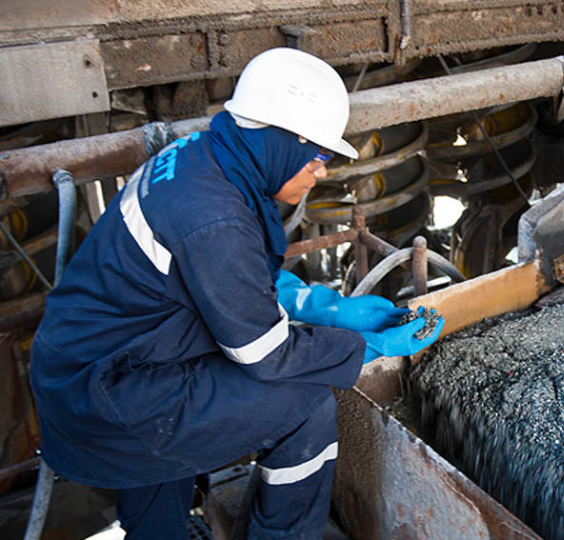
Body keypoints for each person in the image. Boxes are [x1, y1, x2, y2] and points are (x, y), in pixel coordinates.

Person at [28, 47, 443, 539]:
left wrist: (322, 306)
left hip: (88, 367)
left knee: (163, 465)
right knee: (306, 404)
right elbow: (264, 355)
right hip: (112, 398)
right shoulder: (215, 218)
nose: (322, 172)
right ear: (280, 144)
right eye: (318, 156)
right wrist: (366, 346)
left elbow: (220, 278)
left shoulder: (197, 158)